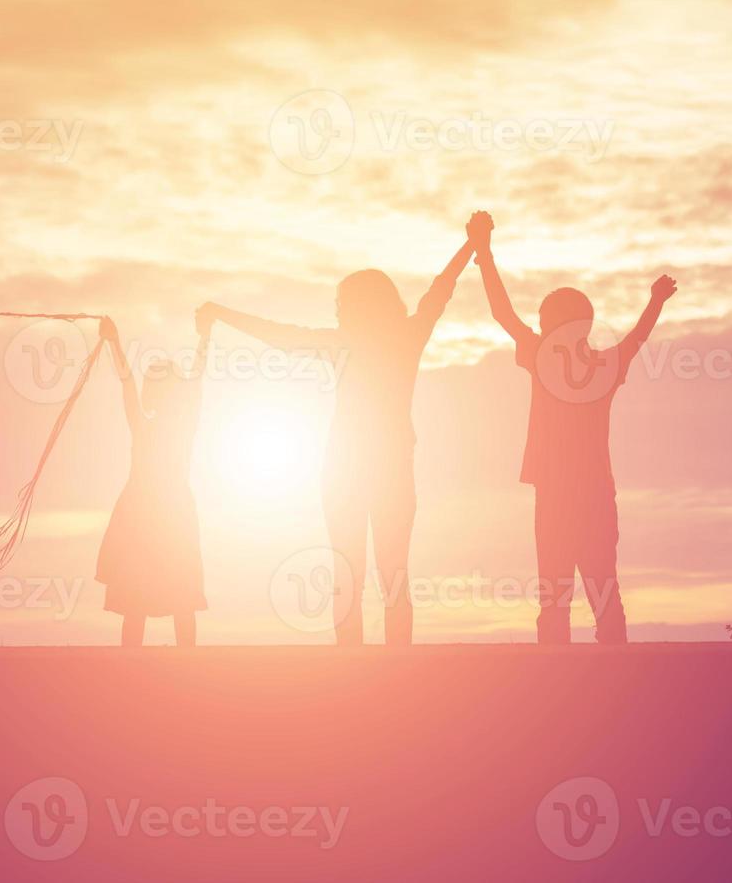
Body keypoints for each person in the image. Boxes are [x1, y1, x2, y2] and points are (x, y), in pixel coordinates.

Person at [201, 228, 476, 645]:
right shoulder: (402, 336)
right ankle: (388, 665)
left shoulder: (349, 343)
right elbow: (440, 290)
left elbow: (281, 335)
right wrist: (472, 245)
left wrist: (223, 313)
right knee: (391, 572)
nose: (337, 312)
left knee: (355, 572)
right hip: (375, 471)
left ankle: (355, 663)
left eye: (342, 304)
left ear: (361, 306)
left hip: (352, 472)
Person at [467, 211, 677, 644]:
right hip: (596, 492)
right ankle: (615, 683)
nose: (540, 328)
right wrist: (655, 302)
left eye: (544, 321)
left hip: (558, 494)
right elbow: (636, 339)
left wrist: (485, 253)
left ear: (551, 326)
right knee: (604, 593)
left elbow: (502, 313)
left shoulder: (544, 359)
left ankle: (555, 682)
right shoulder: (603, 366)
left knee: (555, 599)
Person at [96, 313, 210, 647]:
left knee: (166, 598)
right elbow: (129, 382)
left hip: (156, 514)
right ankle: (169, 664)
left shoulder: (161, 426)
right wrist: (113, 342)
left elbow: (193, 380)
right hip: (152, 515)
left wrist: (114, 342)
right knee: (155, 598)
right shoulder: (169, 426)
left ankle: (151, 666)